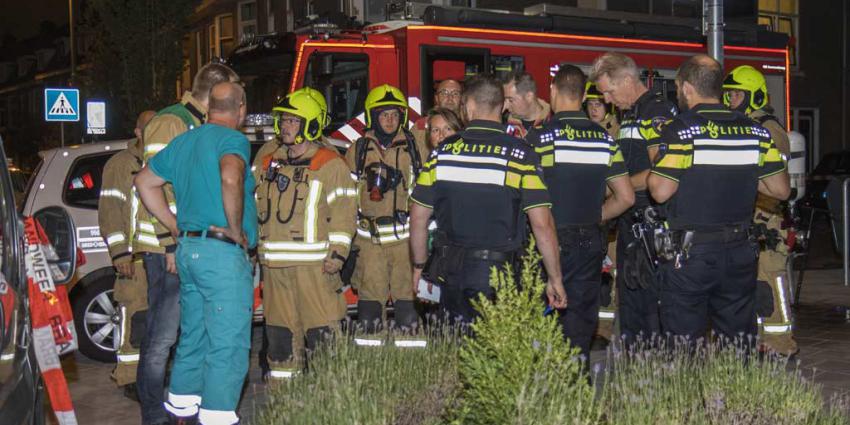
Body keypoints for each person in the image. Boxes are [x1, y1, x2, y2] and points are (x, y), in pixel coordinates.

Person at [136, 81, 258, 425]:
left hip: (189, 251)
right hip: (221, 255)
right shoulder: (232, 139)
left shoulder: (185, 140)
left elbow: (144, 181)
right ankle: (217, 417)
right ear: (241, 109)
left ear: (208, 109)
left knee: (193, 337)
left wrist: (174, 225)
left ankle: (182, 414)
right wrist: (234, 228)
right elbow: (231, 178)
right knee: (227, 344)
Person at [648, 55, 790, 348]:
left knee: (684, 345)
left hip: (691, 255)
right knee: (737, 344)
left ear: (687, 88)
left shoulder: (681, 130)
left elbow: (660, 191)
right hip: (740, 253)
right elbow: (780, 190)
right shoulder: (756, 131)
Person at [409, 74, 567, 326]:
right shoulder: (521, 155)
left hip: (449, 272)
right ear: (502, 106)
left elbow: (418, 218)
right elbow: (542, 224)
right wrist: (555, 278)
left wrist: (419, 266)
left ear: (468, 106)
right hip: (499, 274)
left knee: (454, 343)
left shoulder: (441, 154)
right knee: (494, 346)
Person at [526, 65, 634, 360]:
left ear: (553, 90)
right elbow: (626, 197)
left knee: (543, 326)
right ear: (584, 96)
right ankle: (578, 381)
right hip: (589, 242)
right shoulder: (604, 139)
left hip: (547, 242)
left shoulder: (539, 138)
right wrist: (596, 215)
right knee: (579, 328)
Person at [254, 90, 356, 381]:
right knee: (280, 340)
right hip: (274, 269)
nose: (284, 126)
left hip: (316, 269)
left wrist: (338, 254)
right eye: (283, 120)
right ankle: (286, 400)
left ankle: (331, 398)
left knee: (323, 335)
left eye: (293, 120)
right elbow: (253, 205)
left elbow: (344, 212)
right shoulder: (267, 163)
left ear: (310, 124)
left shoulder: (330, 164)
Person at [590, 52, 677, 348]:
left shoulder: (655, 111)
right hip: (632, 229)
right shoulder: (631, 113)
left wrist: (619, 188)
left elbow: (661, 171)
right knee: (632, 312)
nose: (608, 100)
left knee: (649, 315)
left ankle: (653, 369)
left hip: (651, 233)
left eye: (610, 91)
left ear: (628, 80)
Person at [344, 84, 429, 346]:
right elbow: (346, 198)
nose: (390, 120)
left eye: (395, 114)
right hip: (370, 243)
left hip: (405, 242)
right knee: (369, 306)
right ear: (373, 117)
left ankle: (410, 361)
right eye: (384, 115)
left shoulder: (416, 146)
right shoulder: (358, 150)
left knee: (408, 304)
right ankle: (372, 361)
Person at [723, 65, 797, 356]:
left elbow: (774, 179)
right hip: (745, 215)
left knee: (769, 278)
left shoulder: (769, 130)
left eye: (737, 95)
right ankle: (757, 338)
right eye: (729, 95)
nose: (731, 100)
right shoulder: (741, 126)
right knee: (750, 281)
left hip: (767, 217)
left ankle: (781, 343)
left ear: (753, 96)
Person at [98, 110, 155, 399]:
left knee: (158, 320)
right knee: (134, 318)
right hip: (134, 260)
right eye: (149, 128)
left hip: (159, 256)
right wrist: (120, 254)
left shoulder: (162, 161)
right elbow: (110, 212)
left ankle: (151, 373)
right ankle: (129, 376)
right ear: (137, 132)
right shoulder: (120, 165)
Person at [584, 81, 620, 342]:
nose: (594, 109)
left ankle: (606, 332)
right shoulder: (583, 132)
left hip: (610, 215)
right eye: (590, 104)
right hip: (588, 215)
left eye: (599, 104)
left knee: (611, 276)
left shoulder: (616, 133)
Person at [412, 79, 463, 145]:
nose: (450, 98)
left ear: (462, 98)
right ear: (436, 98)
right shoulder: (421, 126)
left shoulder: (470, 126)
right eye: (444, 93)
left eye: (455, 93)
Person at [503, 71, 551, 139]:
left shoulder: (552, 122)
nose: (506, 106)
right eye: (505, 100)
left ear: (529, 96)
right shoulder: (505, 125)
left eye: (511, 100)